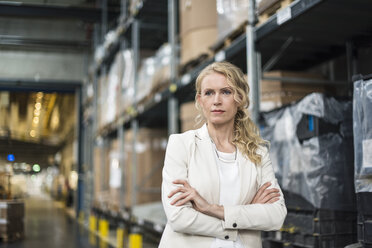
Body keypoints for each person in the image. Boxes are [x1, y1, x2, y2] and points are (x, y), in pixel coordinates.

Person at [159, 61, 287, 248]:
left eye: (226, 92)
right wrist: (244, 216)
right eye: (209, 93)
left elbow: (276, 215)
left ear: (240, 98)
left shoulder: (257, 152)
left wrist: (211, 208)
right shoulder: (181, 145)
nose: (216, 100)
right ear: (200, 99)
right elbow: (178, 217)